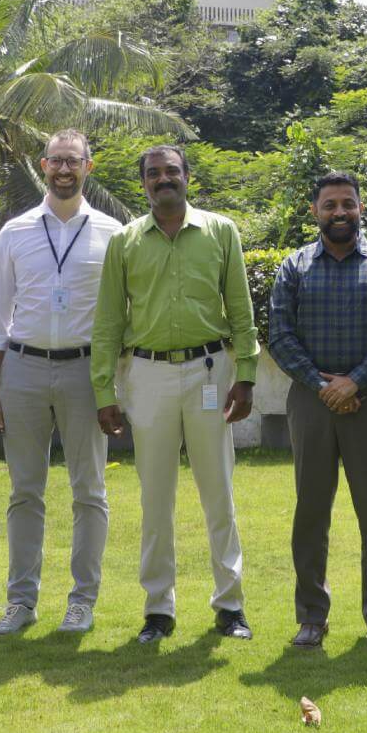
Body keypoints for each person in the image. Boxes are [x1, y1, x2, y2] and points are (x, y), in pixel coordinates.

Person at [90, 144, 260, 644]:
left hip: (211, 371)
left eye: (171, 171)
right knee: (155, 495)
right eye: (153, 174)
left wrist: (245, 374)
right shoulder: (125, 242)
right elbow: (108, 323)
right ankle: (158, 609)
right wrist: (105, 389)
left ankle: (230, 605)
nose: (163, 179)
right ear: (142, 183)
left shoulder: (220, 231)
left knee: (219, 492)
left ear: (188, 177)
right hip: (148, 375)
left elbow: (241, 310)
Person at [0, 130, 123, 636]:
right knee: (25, 492)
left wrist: (113, 385)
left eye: (73, 161)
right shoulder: (15, 232)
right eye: (56, 161)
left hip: (86, 372)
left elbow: (120, 316)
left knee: (89, 491)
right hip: (23, 370)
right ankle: (21, 603)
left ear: (89, 166)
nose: (64, 170)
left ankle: (82, 601)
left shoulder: (112, 231)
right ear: (43, 166)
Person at [268, 171, 367, 650]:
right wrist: (321, 384)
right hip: (310, 403)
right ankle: (312, 615)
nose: (339, 213)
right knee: (310, 511)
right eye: (329, 205)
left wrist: (355, 381)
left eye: (347, 204)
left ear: (360, 208)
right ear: (315, 212)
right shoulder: (293, 267)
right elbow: (280, 335)